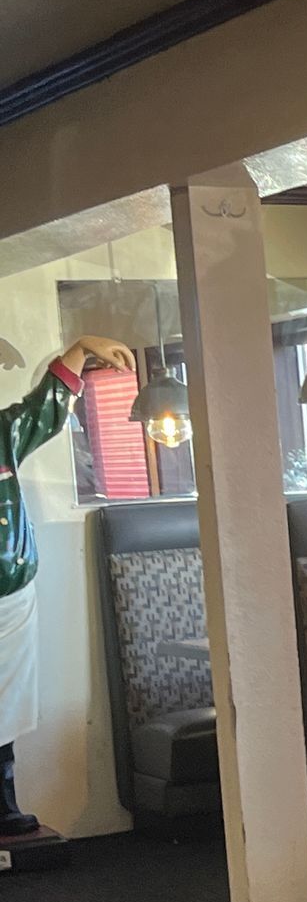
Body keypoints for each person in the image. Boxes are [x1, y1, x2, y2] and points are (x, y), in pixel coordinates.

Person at [0, 336, 136, 837]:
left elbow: (44, 410)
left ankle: (3, 802)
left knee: (8, 704)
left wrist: (80, 349)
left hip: (12, 595)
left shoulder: (1, 433)